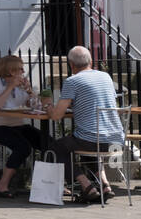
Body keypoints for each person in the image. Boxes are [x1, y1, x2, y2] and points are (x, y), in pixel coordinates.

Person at [45, 45, 126, 202]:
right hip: (116, 140)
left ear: (71, 64)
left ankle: (86, 186)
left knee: (57, 147)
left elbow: (56, 115)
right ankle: (104, 185)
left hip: (92, 139)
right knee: (86, 141)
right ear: (90, 61)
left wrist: (47, 104)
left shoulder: (72, 81)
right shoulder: (106, 77)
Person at [0, 55, 45, 197]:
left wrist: (29, 92)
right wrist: (10, 86)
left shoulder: (21, 86)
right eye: (20, 69)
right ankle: (2, 185)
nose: (23, 72)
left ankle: (54, 183)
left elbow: (38, 107)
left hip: (17, 125)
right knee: (23, 147)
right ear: (11, 71)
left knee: (48, 142)